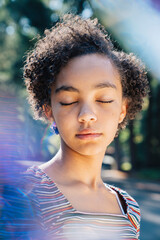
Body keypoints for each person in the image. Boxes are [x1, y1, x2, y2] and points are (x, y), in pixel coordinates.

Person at [22, 14, 149, 240]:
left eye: (104, 100)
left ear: (122, 109)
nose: (87, 115)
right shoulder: (24, 193)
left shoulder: (129, 208)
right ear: (49, 110)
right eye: (69, 101)